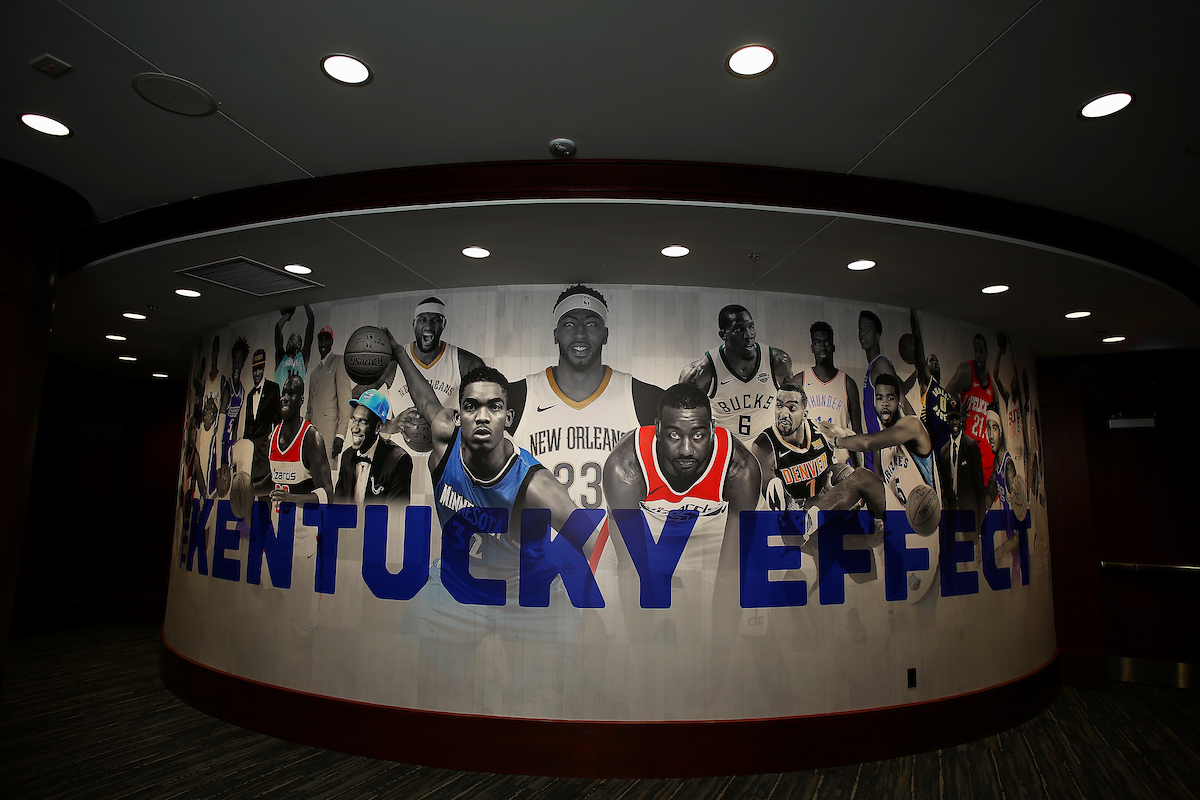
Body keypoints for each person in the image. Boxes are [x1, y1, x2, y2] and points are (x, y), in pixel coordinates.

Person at [386, 328, 585, 697]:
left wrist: (575, 587)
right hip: (460, 582)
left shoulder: (535, 485)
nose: (481, 416)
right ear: (458, 414)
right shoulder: (445, 438)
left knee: (542, 698)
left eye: (493, 407)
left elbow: (589, 539)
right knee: (411, 665)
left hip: (526, 591)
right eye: (470, 406)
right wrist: (399, 353)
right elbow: (425, 399)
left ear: (508, 417)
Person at [602, 382, 761, 687]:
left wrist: (719, 665)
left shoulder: (740, 469)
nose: (687, 449)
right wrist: (644, 661)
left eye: (698, 435)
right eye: (674, 435)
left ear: (713, 429)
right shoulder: (625, 468)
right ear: (658, 428)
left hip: (712, 525)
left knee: (744, 583)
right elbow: (632, 570)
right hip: (649, 521)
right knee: (612, 605)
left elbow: (732, 570)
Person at [379, 297, 485, 508]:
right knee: (395, 525)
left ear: (443, 324)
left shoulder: (464, 362)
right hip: (400, 456)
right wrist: (387, 425)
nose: (429, 326)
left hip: (444, 456)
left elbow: (480, 412)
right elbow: (359, 401)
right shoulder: (391, 363)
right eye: (423, 320)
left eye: (436, 320)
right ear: (414, 324)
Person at [811, 373, 939, 535]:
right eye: (879, 398)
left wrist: (836, 441)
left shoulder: (912, 425)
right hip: (899, 525)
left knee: (862, 476)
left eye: (890, 397)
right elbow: (877, 491)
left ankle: (807, 522)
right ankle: (811, 520)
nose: (884, 403)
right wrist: (840, 494)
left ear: (899, 400)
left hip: (924, 519)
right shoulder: (883, 451)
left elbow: (868, 443)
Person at [679, 304, 792, 444]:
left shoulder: (777, 361)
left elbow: (793, 406)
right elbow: (683, 419)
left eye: (751, 327)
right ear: (723, 335)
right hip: (726, 447)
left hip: (766, 446)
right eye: (738, 330)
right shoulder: (701, 372)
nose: (748, 335)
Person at [750, 382, 835, 510]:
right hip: (794, 519)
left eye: (792, 408)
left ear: (804, 414)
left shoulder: (820, 430)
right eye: (779, 406)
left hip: (827, 509)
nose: (783, 414)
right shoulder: (764, 446)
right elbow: (778, 502)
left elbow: (852, 437)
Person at [257, 374, 334, 513]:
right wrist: (249, 489)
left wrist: (293, 499)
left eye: (291, 394)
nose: (285, 398)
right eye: (284, 393)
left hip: (306, 531)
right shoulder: (273, 436)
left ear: (301, 400)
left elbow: (328, 495)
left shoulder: (311, 438)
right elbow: (275, 480)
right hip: (278, 531)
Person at [794, 321, 862, 467]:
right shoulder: (800, 381)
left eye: (827, 342)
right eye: (818, 343)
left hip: (841, 464)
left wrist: (860, 469)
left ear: (833, 346)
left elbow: (857, 432)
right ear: (812, 348)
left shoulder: (847, 383)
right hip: (809, 464)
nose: (823, 347)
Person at [334, 388, 412, 506]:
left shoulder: (398, 460)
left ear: (378, 427)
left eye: (363, 422)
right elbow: (338, 505)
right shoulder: (347, 456)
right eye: (354, 420)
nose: (354, 429)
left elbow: (396, 515)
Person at [857, 310, 909, 473]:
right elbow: (902, 388)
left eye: (868, 330)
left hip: (884, 451)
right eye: (860, 329)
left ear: (878, 335)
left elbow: (901, 402)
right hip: (875, 447)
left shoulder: (881, 364)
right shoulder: (874, 366)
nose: (862, 334)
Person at [899, 309, 954, 458]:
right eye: (930, 360)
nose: (934, 362)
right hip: (932, 442)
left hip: (948, 445)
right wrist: (914, 317)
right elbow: (919, 345)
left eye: (936, 360)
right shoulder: (927, 384)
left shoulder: (946, 393)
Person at [945, 332, 999, 478]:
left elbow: (997, 423)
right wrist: (957, 413)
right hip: (965, 448)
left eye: (981, 351)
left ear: (987, 354)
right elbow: (943, 397)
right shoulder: (966, 371)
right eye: (976, 350)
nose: (978, 355)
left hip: (983, 452)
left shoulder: (991, 387)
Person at [305, 325, 354, 464]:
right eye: (320, 340)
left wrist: (340, 435)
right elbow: (310, 407)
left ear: (331, 342)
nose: (323, 343)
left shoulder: (339, 362)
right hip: (311, 436)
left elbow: (345, 404)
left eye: (326, 339)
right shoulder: (314, 372)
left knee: (327, 478)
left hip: (329, 436)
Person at [237, 349, 281, 495]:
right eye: (254, 369)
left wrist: (273, 438)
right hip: (251, 452)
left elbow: (278, 418)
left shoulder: (273, 389)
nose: (256, 373)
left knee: (264, 494)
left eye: (259, 369)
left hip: (264, 452)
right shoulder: (250, 395)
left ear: (263, 369)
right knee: (247, 495)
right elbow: (247, 426)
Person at [939, 405, 987, 531]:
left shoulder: (971, 446)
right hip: (952, 516)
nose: (954, 422)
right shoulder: (944, 451)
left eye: (957, 418)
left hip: (969, 514)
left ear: (961, 420)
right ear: (947, 421)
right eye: (951, 418)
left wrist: (981, 522)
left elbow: (979, 487)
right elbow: (944, 488)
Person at [221, 336, 250, 469]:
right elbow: (221, 416)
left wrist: (234, 438)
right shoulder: (228, 386)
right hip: (221, 437)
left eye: (240, 361)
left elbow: (237, 418)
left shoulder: (242, 390)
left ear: (243, 362)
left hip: (230, 439)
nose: (237, 364)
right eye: (235, 360)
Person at [274, 305, 315, 386]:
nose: (288, 342)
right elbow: (277, 328)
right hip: (281, 397)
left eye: (291, 339)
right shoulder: (281, 357)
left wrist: (305, 303)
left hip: (296, 397)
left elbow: (311, 322)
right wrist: (287, 315)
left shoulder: (302, 358)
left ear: (299, 345)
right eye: (288, 340)